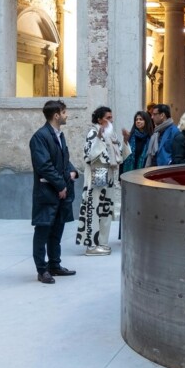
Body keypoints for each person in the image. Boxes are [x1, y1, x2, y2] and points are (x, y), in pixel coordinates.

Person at [29, 100, 78, 284]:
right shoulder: (39, 137)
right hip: (48, 194)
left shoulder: (59, 135)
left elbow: (64, 159)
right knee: (42, 231)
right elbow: (45, 166)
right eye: (64, 112)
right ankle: (42, 270)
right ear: (56, 115)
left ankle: (54, 265)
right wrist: (61, 186)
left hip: (61, 193)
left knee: (56, 232)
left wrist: (73, 171)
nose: (67, 115)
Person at [75, 106, 130, 256]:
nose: (111, 120)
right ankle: (92, 245)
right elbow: (89, 155)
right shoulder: (93, 133)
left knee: (105, 209)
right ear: (99, 119)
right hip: (97, 173)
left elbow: (121, 155)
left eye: (111, 117)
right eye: (108, 118)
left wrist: (125, 141)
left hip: (110, 175)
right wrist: (99, 138)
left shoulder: (111, 134)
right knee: (94, 208)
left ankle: (103, 242)